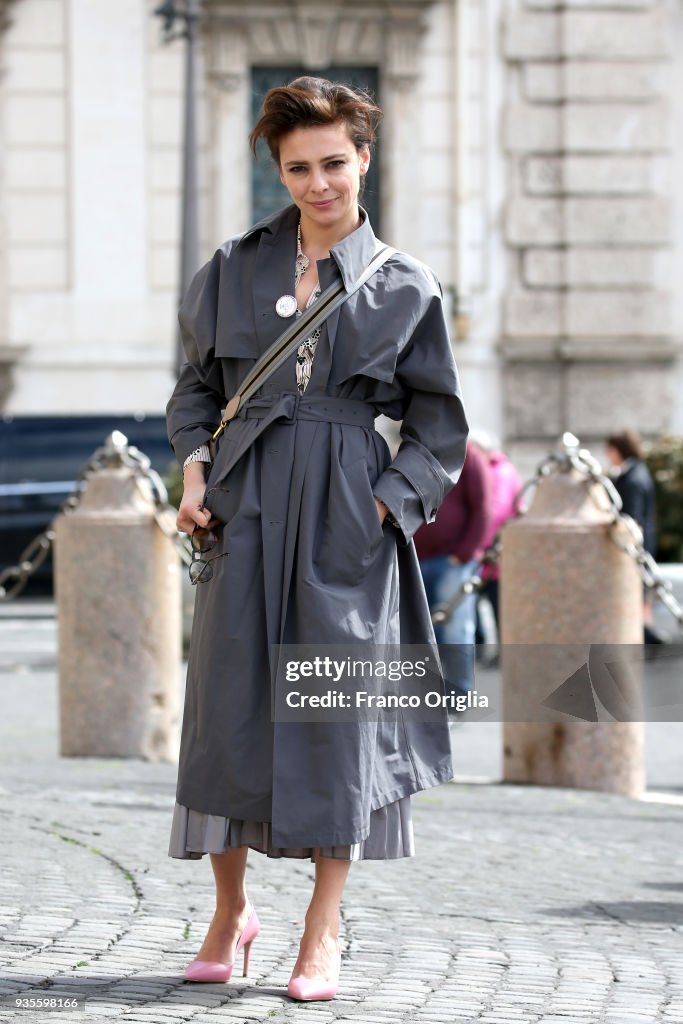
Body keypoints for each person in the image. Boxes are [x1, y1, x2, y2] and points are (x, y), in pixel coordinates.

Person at [165, 77, 469, 1002]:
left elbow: (440, 428)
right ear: (278, 171)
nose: (318, 182)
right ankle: (230, 912)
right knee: (228, 713)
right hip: (245, 506)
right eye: (298, 168)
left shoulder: (406, 285)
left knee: (333, 718)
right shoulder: (231, 267)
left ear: (363, 159)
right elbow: (193, 394)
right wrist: (191, 472)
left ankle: (321, 929)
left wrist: (383, 506)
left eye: (333, 163)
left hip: (344, 519)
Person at [413, 439, 493, 696]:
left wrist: (464, 553)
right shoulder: (414, 453)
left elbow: (483, 507)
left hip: (453, 561)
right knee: (422, 631)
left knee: (456, 628)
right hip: (417, 560)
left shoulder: (470, 456)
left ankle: (459, 693)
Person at [470, 431, 522, 660]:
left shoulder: (500, 471)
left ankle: (504, 652)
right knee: (478, 601)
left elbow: (497, 511)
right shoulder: (493, 469)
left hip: (495, 553)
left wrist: (478, 543)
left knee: (498, 604)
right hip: (488, 554)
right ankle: (485, 649)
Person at [605, 429, 660, 644]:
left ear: (619, 449)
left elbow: (632, 518)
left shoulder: (633, 479)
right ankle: (646, 633)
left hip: (636, 546)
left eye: (610, 449)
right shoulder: (635, 473)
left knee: (638, 593)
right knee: (640, 593)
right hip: (641, 544)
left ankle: (647, 635)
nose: (608, 455)